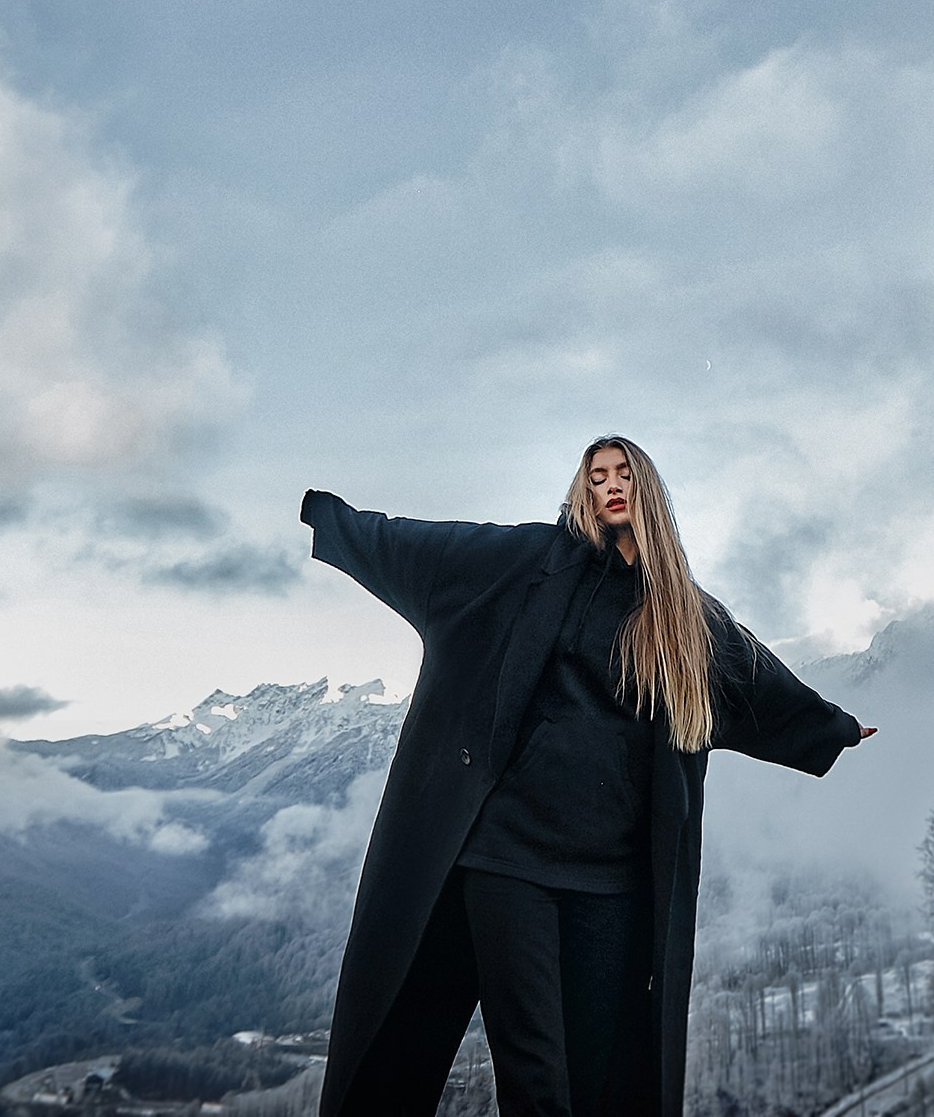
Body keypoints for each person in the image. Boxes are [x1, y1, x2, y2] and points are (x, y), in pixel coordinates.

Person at [300, 435, 875, 1117]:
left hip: (611, 882)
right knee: (536, 1077)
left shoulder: (684, 615)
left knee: (596, 1079)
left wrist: (832, 728)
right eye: (597, 476)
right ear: (584, 490)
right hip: (507, 863)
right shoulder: (525, 562)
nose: (610, 485)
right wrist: (337, 521)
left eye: (623, 473)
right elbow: (428, 549)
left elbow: (759, 683)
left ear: (646, 488)